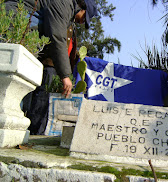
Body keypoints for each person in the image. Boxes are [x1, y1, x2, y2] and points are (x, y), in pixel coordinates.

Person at [4, 0, 98, 134]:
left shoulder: (68, 13)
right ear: (82, 8)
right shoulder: (63, 4)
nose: (83, 22)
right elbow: (57, 37)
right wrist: (65, 76)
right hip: (14, 23)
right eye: (85, 17)